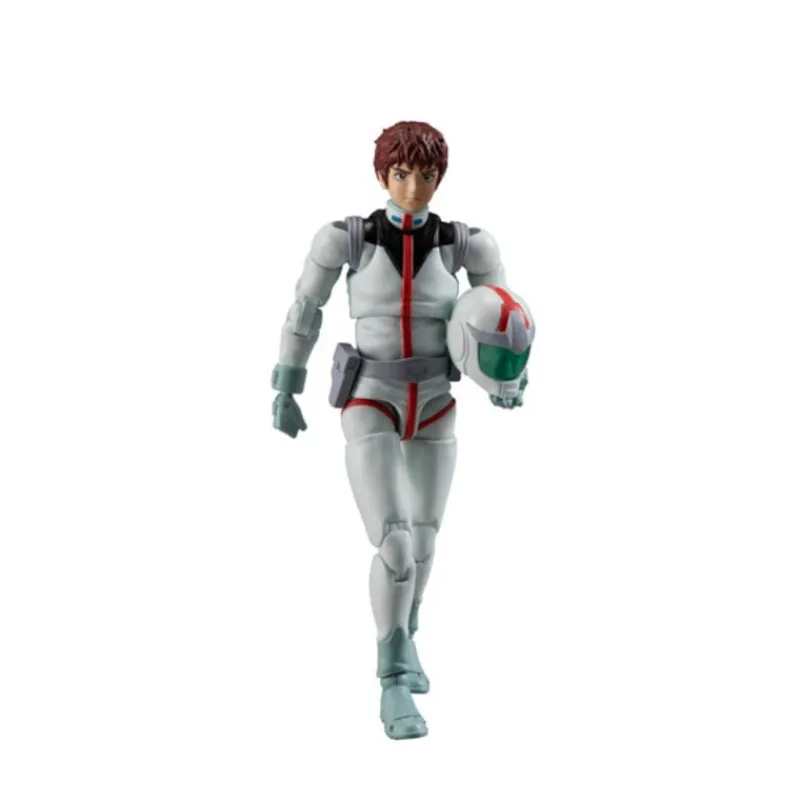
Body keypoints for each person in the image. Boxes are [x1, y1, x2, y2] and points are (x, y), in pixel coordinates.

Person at [271, 121, 527, 739]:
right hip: (372, 399)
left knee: (426, 540)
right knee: (394, 544)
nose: (414, 187)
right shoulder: (347, 239)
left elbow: (502, 319)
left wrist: (510, 378)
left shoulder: (466, 245)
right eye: (402, 173)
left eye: (427, 175)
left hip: (435, 401)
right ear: (383, 174)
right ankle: (390, 679)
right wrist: (287, 383)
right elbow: (305, 308)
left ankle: (406, 636)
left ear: (441, 178)